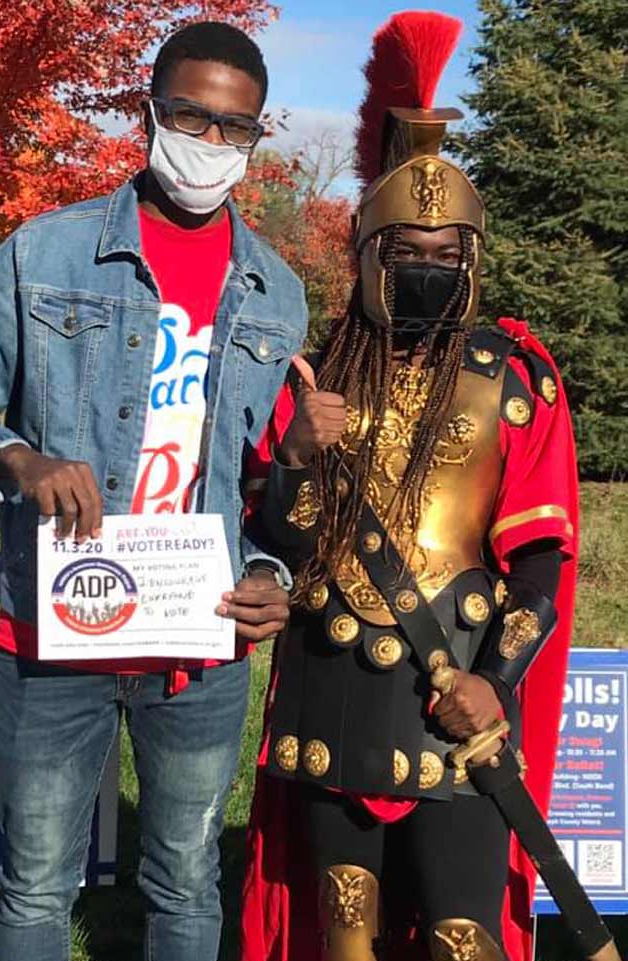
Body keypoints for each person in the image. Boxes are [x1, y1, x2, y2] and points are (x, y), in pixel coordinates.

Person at [0, 21, 308, 961]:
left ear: (255, 140)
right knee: (37, 888)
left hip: (199, 647)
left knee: (186, 882)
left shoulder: (276, 294)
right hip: (53, 636)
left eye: (235, 129)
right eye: (190, 117)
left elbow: (267, 482)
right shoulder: (43, 256)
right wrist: (19, 461)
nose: (210, 146)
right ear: (149, 114)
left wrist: (270, 574)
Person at [240, 12, 578, 961]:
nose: (426, 271)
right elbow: (287, 544)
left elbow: (544, 558)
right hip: (334, 686)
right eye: (406, 255)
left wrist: (493, 681)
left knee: (461, 931)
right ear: (366, 257)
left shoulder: (516, 379)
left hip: (456, 684)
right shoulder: (318, 375)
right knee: (344, 928)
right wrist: (300, 455)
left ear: (471, 260)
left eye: (446, 257)